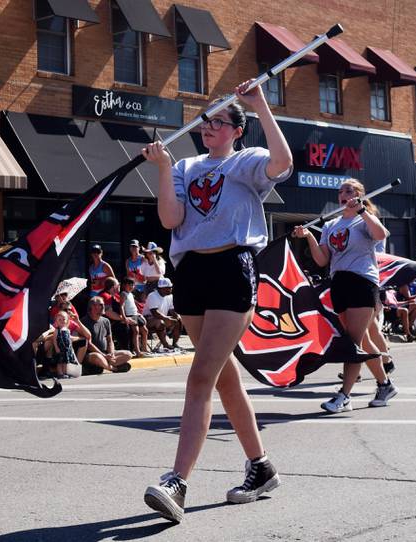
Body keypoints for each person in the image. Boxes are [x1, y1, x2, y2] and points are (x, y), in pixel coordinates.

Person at [142, 80, 293, 523]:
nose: (208, 126)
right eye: (205, 120)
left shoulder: (248, 161)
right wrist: (164, 169)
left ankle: (177, 481)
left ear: (235, 130)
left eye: (218, 121)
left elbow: (283, 162)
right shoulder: (187, 165)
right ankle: (261, 467)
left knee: (200, 377)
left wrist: (260, 104)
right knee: (224, 379)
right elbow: (171, 218)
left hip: (232, 267)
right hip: (190, 271)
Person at [293, 178, 396, 414]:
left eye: (349, 190)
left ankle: (344, 395)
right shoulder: (331, 225)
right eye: (341, 191)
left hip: (362, 281)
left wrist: (361, 210)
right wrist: (308, 235)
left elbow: (380, 235)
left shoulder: (364, 220)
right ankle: (385, 384)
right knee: (363, 341)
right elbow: (322, 260)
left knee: (353, 343)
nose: (343, 193)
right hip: (338, 282)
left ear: (359, 194)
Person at [82, 296, 133, 374]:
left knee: (128, 354)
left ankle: (107, 363)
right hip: (92, 354)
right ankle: (113, 368)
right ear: (93, 307)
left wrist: (111, 354)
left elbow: (110, 340)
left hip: (106, 352)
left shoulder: (106, 321)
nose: (104, 307)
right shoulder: (84, 322)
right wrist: (104, 355)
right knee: (97, 357)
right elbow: (88, 344)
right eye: (101, 305)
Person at [143, 277, 183, 352]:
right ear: (162, 289)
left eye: (171, 287)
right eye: (168, 288)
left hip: (162, 318)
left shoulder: (169, 296)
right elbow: (154, 313)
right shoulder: (152, 295)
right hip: (148, 320)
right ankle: (166, 344)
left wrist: (177, 316)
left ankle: (174, 344)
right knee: (160, 322)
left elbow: (172, 310)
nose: (170, 289)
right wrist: (166, 318)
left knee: (179, 320)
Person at [119, 277, 150, 357]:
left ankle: (144, 348)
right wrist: (124, 317)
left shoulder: (131, 294)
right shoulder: (123, 294)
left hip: (136, 314)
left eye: (132, 285)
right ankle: (137, 351)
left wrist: (139, 314)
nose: (131, 286)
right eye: (129, 284)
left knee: (145, 330)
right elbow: (121, 306)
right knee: (136, 331)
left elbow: (133, 306)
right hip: (130, 315)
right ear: (124, 285)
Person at [52, 311, 79, 378]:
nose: (62, 321)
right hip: (60, 348)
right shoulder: (57, 330)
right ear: (56, 321)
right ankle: (60, 373)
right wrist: (56, 347)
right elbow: (54, 340)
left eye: (64, 319)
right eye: (59, 320)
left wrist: (71, 348)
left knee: (66, 362)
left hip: (67, 349)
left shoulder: (67, 330)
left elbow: (69, 340)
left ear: (67, 320)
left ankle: (65, 372)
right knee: (59, 362)